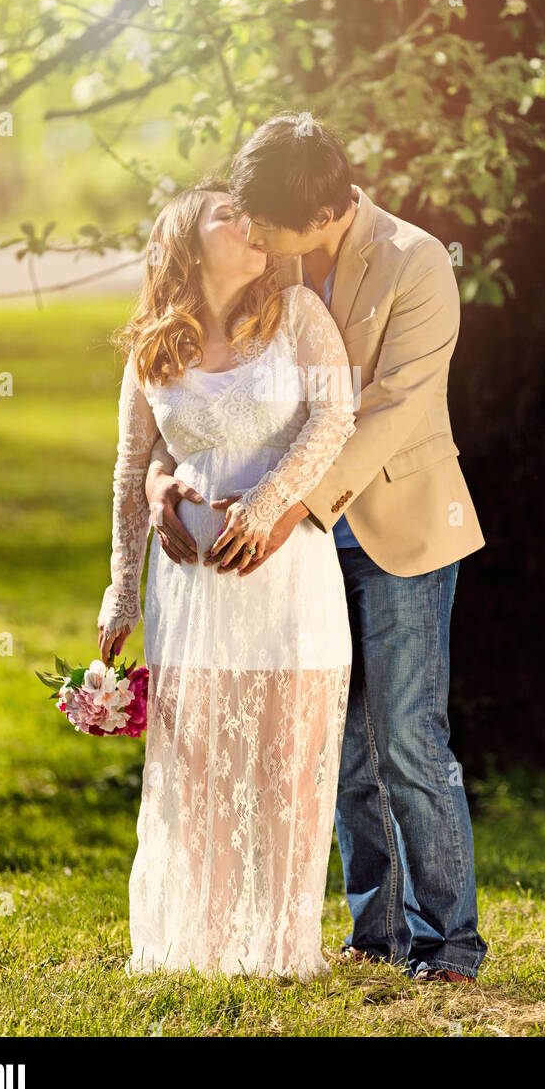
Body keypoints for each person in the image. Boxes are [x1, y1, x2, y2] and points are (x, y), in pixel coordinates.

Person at [146, 115, 488, 982]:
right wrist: (164, 484)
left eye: (266, 222)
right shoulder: (277, 260)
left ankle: (446, 941)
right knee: (334, 740)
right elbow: (206, 387)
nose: (250, 235)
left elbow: (391, 410)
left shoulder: (417, 262)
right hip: (280, 534)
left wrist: (286, 507)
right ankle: (374, 930)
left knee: (407, 732)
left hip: (391, 520)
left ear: (320, 211)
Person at [97, 180, 356, 980]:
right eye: (224, 214)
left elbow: (334, 416)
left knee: (285, 758)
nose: (249, 226)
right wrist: (122, 587)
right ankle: (195, 947)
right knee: (198, 762)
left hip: (288, 574)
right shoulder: (153, 344)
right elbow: (133, 465)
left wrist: (269, 505)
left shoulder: (300, 315)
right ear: (183, 239)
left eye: (252, 214)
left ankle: (277, 949)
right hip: (192, 590)